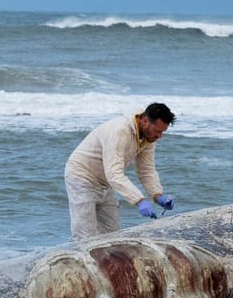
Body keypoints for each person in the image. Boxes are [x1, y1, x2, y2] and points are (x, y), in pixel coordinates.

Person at [63, 103, 176, 241]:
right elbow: (114, 173)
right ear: (145, 121)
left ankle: (104, 262)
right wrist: (139, 201)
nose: (160, 136)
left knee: (111, 234)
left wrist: (157, 195)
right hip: (82, 176)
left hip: (105, 182)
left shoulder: (149, 137)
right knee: (85, 236)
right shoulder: (119, 131)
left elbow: (146, 170)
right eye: (158, 131)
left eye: (162, 132)